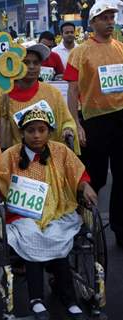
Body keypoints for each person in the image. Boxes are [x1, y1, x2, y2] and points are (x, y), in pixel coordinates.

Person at [0, 108, 96, 320]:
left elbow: (79, 174)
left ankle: (70, 299)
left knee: (57, 235)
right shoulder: (9, 155)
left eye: (41, 130)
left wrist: (85, 186)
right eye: (31, 130)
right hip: (22, 215)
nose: (36, 135)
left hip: (57, 209)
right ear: (22, 133)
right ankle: (36, 299)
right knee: (31, 237)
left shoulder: (61, 151)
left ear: (49, 131)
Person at [64, 1, 123, 247]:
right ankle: (82, 223)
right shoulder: (81, 51)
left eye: (112, 17)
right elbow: (72, 89)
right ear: (93, 22)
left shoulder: (120, 47)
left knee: (121, 176)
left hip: (120, 118)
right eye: (105, 18)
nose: (110, 22)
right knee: (95, 177)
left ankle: (120, 229)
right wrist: (75, 123)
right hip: (94, 121)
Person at [0, 42, 79, 170]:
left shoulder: (52, 93)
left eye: (36, 63)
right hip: (15, 163)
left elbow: (67, 120)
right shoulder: (1, 93)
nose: (32, 67)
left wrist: (68, 129)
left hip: (49, 161)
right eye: (26, 62)